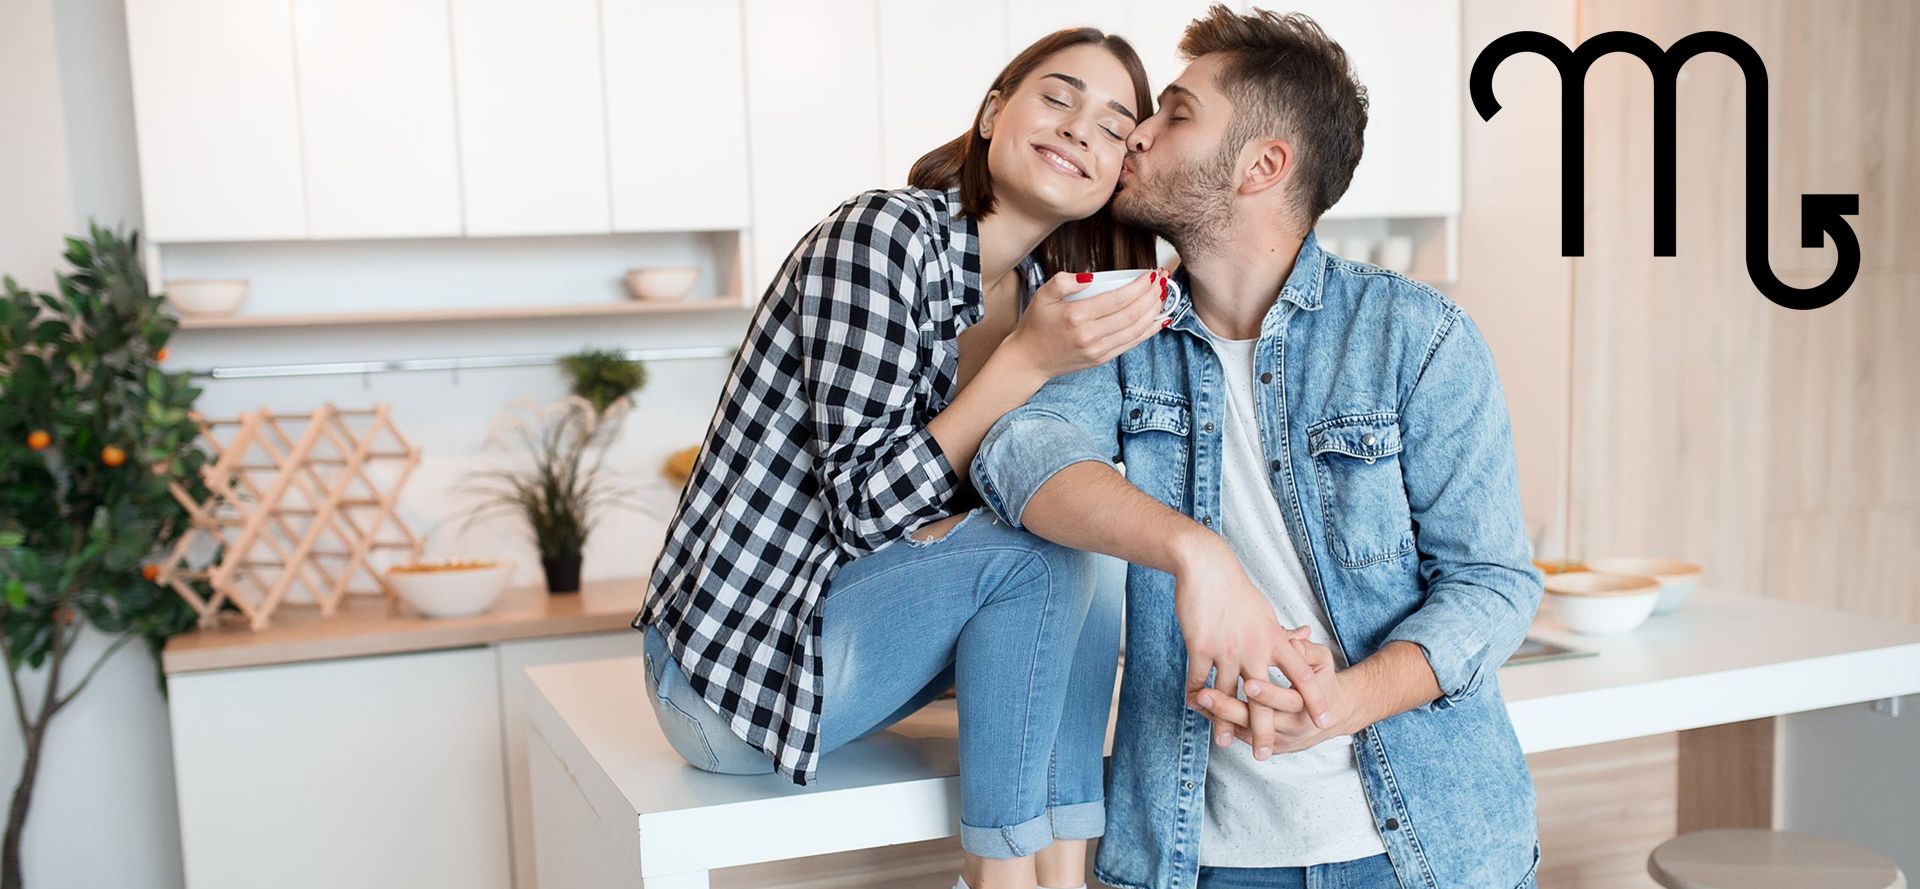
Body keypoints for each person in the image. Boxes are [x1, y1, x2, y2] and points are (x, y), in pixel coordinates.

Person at [635, 26, 1281, 889]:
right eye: (1057, 97)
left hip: (844, 661)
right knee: (1033, 550)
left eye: (1112, 124)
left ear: (1117, 170)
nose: (1078, 128)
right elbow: (867, 508)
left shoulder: (1050, 289)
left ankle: (1064, 877)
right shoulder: (883, 238)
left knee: (1084, 530)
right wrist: (1025, 362)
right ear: (991, 114)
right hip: (732, 671)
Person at [970, 7, 1544, 889]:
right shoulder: (1121, 326)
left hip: (1420, 848)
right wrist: (1198, 554)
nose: (1137, 135)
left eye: (1176, 114)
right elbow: (1022, 458)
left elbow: (1495, 583)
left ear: (1262, 165)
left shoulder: (1414, 336)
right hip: (1193, 854)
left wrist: (1340, 704)